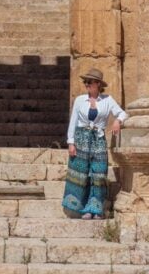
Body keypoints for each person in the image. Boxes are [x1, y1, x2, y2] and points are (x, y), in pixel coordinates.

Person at [62, 67, 128, 219]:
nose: (86, 84)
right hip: (81, 139)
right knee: (80, 173)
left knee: (99, 173)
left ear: (98, 84)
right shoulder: (79, 100)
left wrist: (118, 121)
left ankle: (96, 208)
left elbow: (123, 113)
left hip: (98, 139)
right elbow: (73, 122)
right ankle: (83, 208)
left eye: (89, 82)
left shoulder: (107, 100)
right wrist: (70, 142)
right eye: (85, 82)